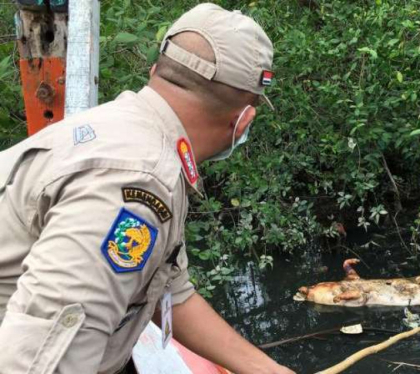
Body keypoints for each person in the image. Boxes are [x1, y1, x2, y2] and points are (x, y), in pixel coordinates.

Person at [0, 4, 294, 374]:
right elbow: (37, 362)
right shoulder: (138, 180)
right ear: (243, 120)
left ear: (156, 72)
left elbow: (170, 290)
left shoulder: (134, 135)